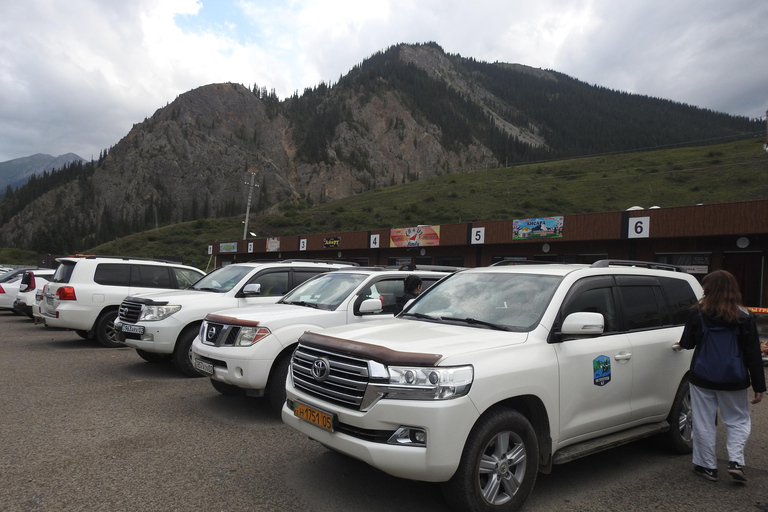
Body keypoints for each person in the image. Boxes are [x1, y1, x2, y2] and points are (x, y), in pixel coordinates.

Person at [679, 270, 765, 483]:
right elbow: (753, 354)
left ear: (708, 289)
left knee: (704, 421)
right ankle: (736, 462)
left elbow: (687, 344)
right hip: (734, 378)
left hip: (702, 376)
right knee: (738, 420)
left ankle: (707, 467)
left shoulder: (697, 313)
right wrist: (759, 386)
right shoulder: (744, 316)